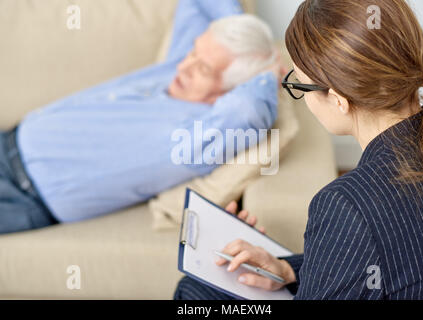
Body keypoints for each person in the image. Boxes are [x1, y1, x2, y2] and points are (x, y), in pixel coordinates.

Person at [174, 0, 423, 300]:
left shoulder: (346, 205)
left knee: (193, 293)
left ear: (339, 100)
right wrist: (288, 269)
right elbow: (392, 264)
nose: (301, 96)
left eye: (300, 86)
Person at [0, 0, 284, 234]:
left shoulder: (198, 136)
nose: (185, 66)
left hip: (18, 194)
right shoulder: (179, 68)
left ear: (234, 86)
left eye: (204, 69)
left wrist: (266, 71)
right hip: (8, 140)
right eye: (194, 52)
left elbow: (248, 109)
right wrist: (238, 32)